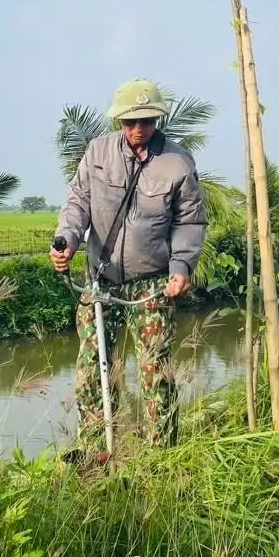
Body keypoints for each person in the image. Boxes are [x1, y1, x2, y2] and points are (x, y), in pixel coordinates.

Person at [51, 80, 207, 458]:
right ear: (119, 120)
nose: (139, 129)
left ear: (157, 118)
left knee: (155, 369)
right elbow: (78, 203)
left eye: (147, 120)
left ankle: (160, 456)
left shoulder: (177, 163)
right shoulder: (98, 152)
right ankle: (97, 450)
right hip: (100, 281)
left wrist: (181, 267)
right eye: (130, 122)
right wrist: (67, 240)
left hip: (151, 286)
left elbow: (189, 222)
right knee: (93, 369)